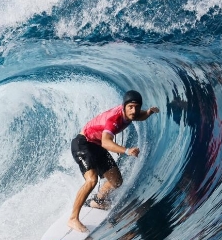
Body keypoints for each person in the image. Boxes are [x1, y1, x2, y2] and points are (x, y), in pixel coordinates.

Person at [67, 90, 159, 233]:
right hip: (83, 144)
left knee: (116, 181)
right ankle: (73, 218)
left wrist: (148, 113)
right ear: (124, 106)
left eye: (137, 107)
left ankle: (98, 201)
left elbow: (139, 116)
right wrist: (127, 151)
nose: (134, 111)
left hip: (95, 146)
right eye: (130, 107)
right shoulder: (114, 120)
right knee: (92, 180)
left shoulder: (132, 113)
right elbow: (106, 142)